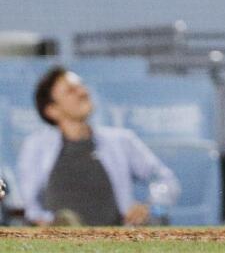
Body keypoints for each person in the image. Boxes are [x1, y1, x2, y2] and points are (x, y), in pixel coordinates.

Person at [17, 67, 179, 226]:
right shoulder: (35, 147)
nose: (83, 92)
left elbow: (165, 179)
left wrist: (150, 207)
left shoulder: (122, 141)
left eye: (81, 85)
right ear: (52, 110)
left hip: (117, 243)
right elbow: (31, 206)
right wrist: (49, 226)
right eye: (71, 90)